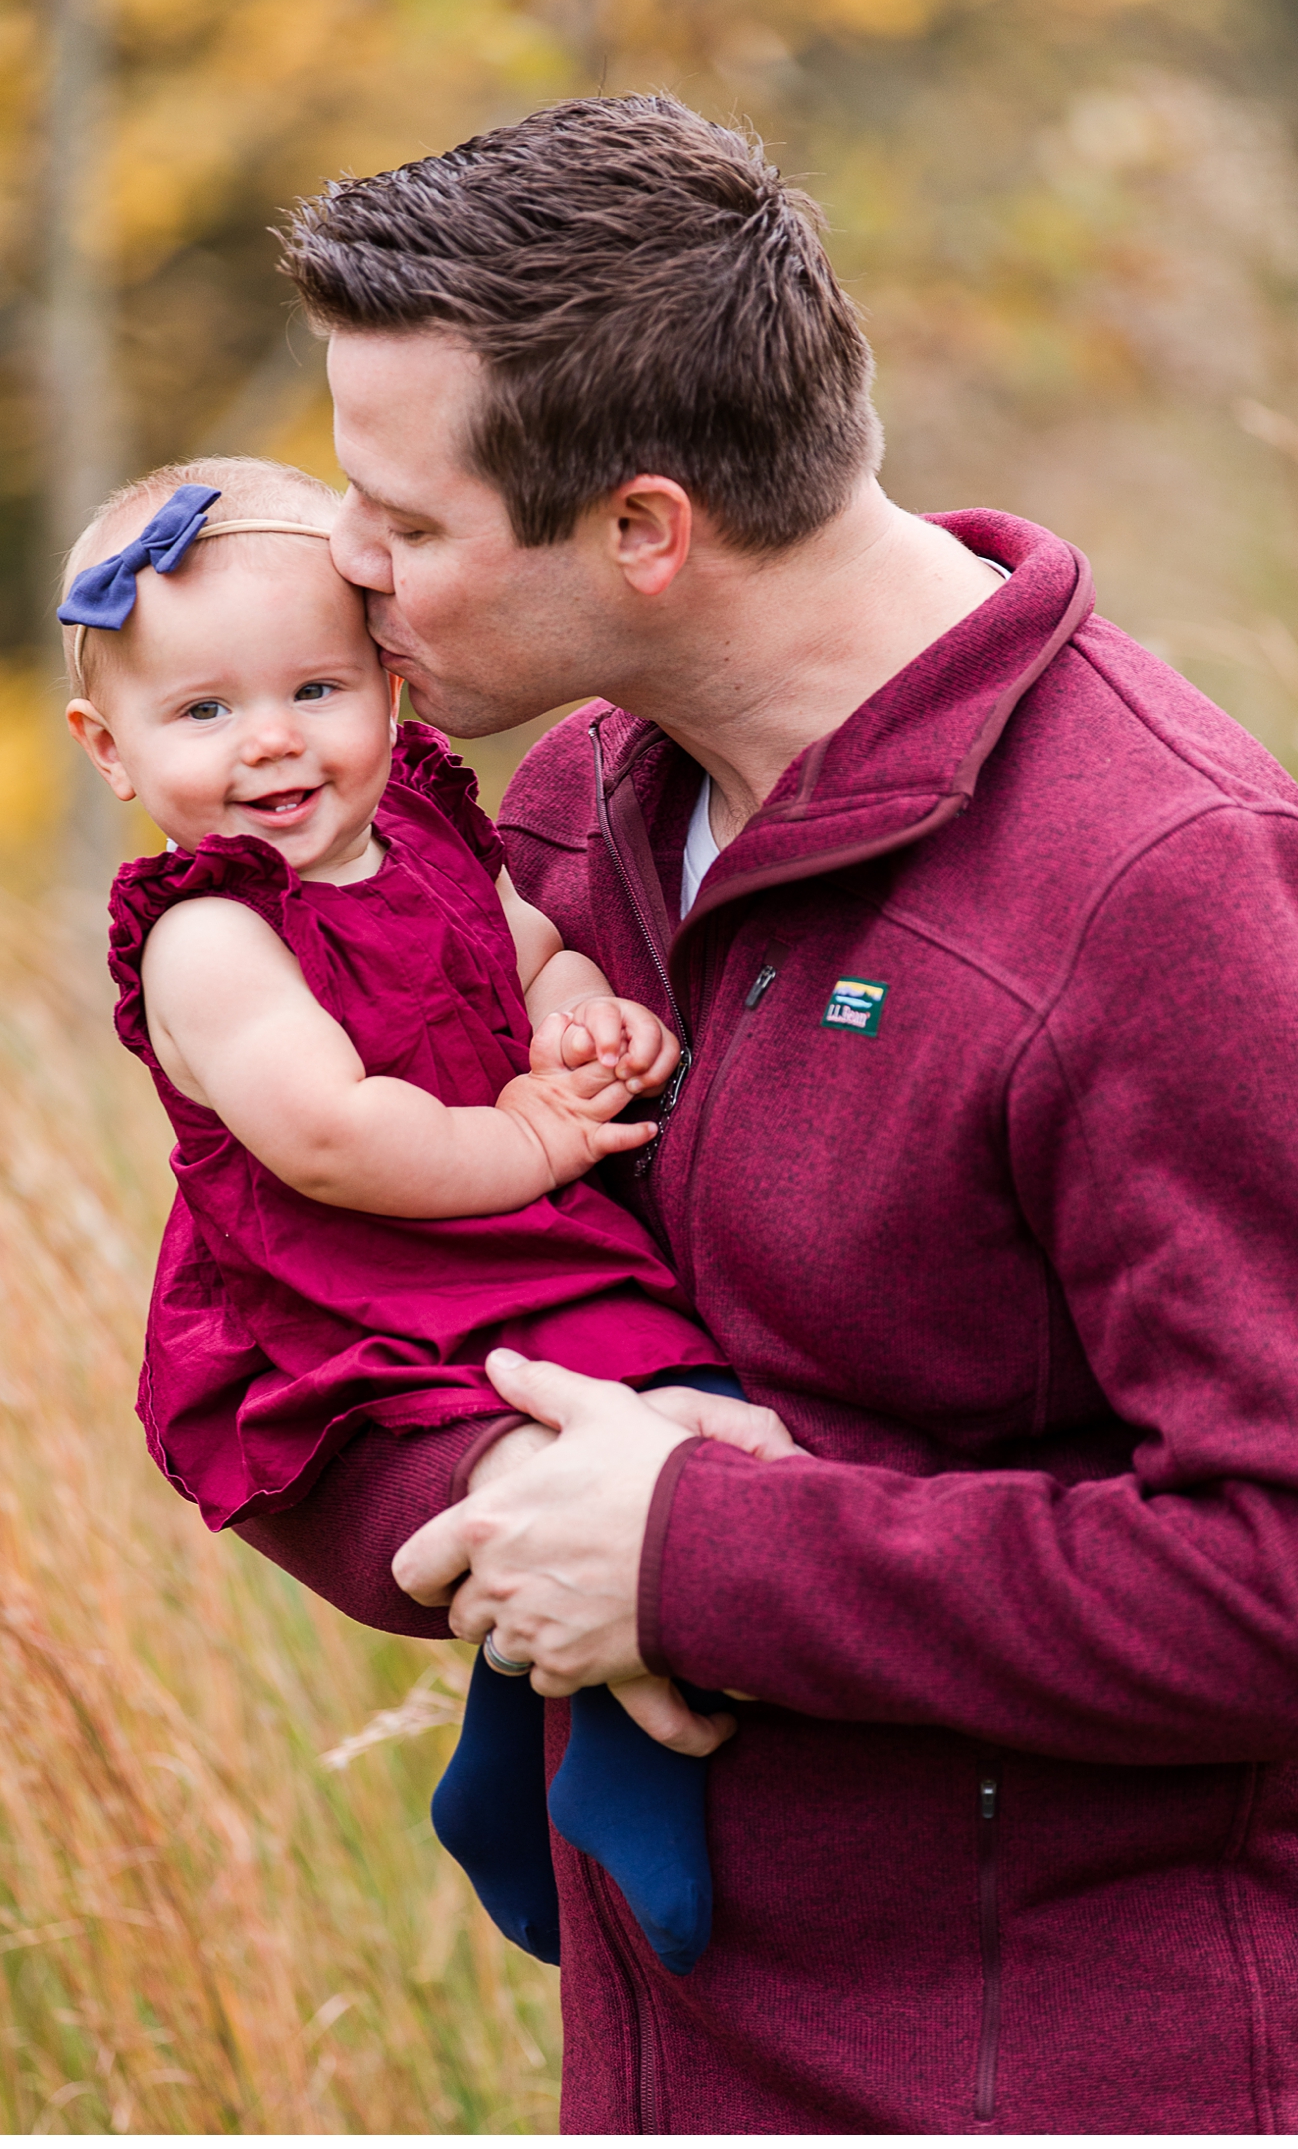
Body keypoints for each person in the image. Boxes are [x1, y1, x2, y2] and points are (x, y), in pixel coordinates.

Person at [270, 94, 1298, 2135]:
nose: (346, 569)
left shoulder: (1166, 888)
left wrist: (702, 1554)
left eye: (403, 522)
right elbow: (305, 1295)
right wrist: (516, 1487)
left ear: (645, 529)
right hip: (674, 2069)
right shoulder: (574, 805)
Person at [56, 455, 808, 1982]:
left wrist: (583, 1025)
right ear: (110, 749)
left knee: (682, 1426)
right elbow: (330, 1137)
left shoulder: (430, 832)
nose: (271, 742)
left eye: (316, 688)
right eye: (201, 713)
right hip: (363, 1285)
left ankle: (508, 1763)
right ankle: (606, 1770)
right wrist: (531, 1137)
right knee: (657, 1452)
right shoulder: (213, 934)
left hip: (504, 1242)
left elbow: (528, 950)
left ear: (390, 685)